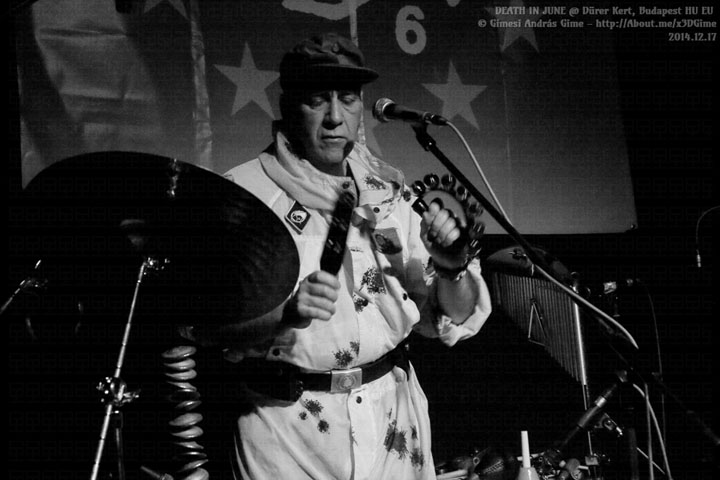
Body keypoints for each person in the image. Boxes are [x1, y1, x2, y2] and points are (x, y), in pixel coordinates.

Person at [191, 32, 492, 480]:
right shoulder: (244, 196)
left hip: (393, 421)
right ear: (288, 105)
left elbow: (452, 318)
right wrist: (285, 314)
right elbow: (207, 327)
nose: (335, 117)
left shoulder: (391, 193)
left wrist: (452, 269)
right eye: (317, 100)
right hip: (289, 433)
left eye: (347, 99)